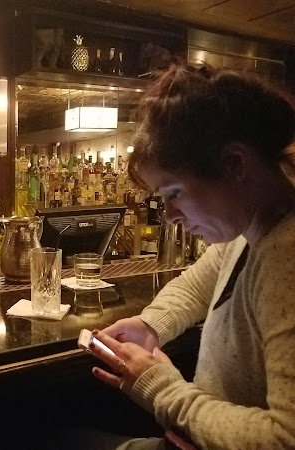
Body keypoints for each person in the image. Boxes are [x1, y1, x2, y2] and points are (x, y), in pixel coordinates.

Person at [86, 65, 295, 449]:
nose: (169, 215)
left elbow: (285, 438)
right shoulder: (251, 227)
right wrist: (150, 325)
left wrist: (162, 389)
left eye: (175, 193)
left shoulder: (287, 256)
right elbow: (200, 282)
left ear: (235, 164)